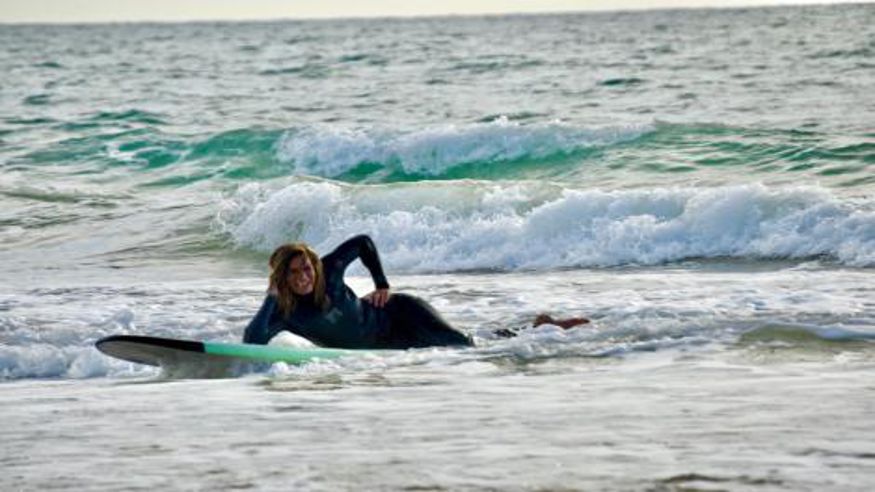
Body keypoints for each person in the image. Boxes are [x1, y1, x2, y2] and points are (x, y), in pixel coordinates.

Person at [243, 234, 588, 349]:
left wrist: (381, 284)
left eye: (307, 268)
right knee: (459, 343)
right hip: (389, 345)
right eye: (294, 272)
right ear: (282, 278)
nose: (305, 275)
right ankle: (534, 326)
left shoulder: (328, 270)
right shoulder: (283, 311)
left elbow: (363, 243)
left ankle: (541, 328)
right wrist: (270, 297)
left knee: (464, 346)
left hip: (400, 312)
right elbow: (252, 341)